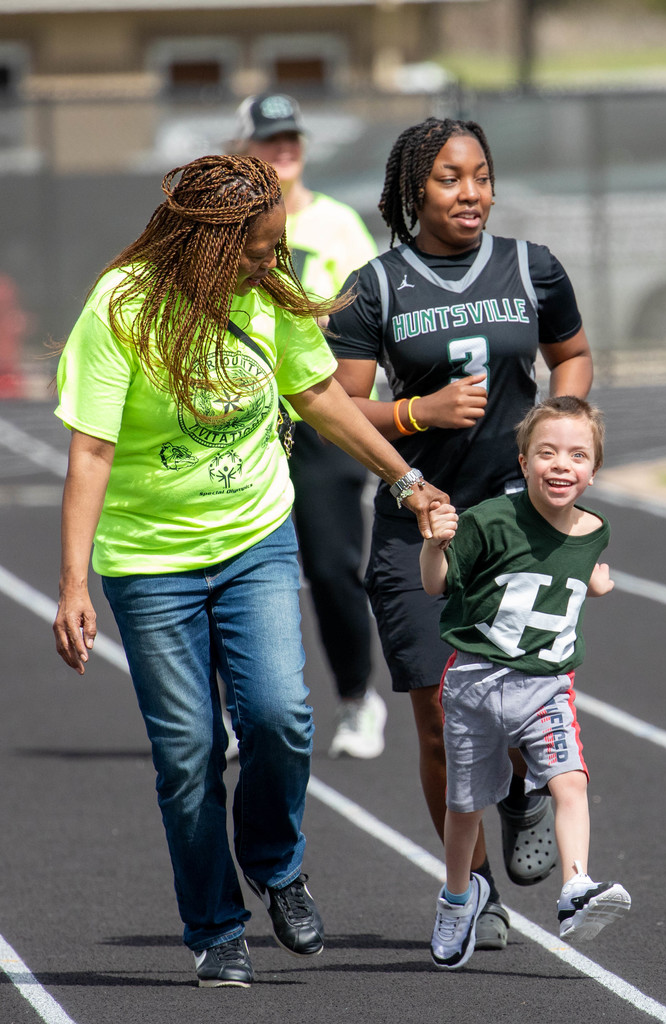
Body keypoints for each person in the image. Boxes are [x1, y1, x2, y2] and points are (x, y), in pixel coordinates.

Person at [51, 154, 446, 989]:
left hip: (253, 539)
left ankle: (276, 863)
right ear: (211, 244)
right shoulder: (121, 308)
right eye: (261, 249)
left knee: (279, 716)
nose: (275, 261)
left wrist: (402, 479)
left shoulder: (269, 290)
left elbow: (320, 397)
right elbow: (90, 448)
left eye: (280, 246)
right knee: (189, 751)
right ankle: (215, 928)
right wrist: (74, 584)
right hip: (148, 558)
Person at [327, 117, 594, 950]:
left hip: (515, 527)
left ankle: (518, 797)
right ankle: (472, 885)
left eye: (480, 175)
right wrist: (420, 411)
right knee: (441, 716)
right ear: (414, 193)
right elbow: (335, 405)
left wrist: (566, 431)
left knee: (511, 704)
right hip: (421, 518)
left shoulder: (532, 266)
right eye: (449, 178)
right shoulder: (373, 286)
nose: (470, 192)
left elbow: (572, 355)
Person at [420, 397, 631, 970]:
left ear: (593, 470)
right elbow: (438, 585)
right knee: (464, 808)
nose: (562, 464)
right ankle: (459, 898)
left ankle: (575, 888)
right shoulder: (490, 520)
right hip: (476, 682)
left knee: (570, 783)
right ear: (522, 461)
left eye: (577, 454)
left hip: (546, 687)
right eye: (548, 452)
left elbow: (563, 565)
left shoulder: (594, 530)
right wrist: (434, 543)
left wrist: (594, 582)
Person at [233, 93, 386, 759]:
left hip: (322, 422)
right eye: (269, 139)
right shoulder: (224, 231)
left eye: (291, 138)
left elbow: (362, 318)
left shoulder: (339, 224)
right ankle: (243, 712)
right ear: (244, 148)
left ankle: (356, 701)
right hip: (241, 425)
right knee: (233, 569)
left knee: (330, 568)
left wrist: (308, 323)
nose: (283, 149)